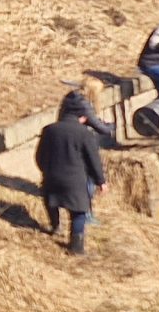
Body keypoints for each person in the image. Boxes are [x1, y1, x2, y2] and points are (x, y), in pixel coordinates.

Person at [35, 90, 111, 256]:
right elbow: (93, 160)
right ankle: (76, 248)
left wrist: (46, 171)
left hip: (51, 178)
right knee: (79, 212)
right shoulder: (84, 133)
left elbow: (39, 156)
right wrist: (101, 181)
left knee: (52, 202)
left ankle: (55, 227)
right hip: (74, 181)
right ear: (82, 117)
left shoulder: (49, 130)